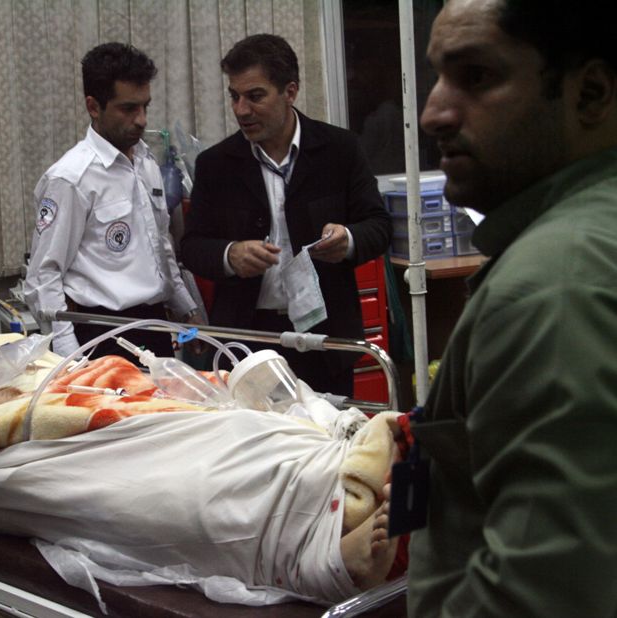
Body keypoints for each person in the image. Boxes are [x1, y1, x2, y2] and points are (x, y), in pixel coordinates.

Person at [407, 1, 617, 615]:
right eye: (438, 77)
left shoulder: (554, 287)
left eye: (477, 77)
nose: (433, 113)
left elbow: (542, 596)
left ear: (591, 93)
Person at [181, 34, 392, 397]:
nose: (241, 110)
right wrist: (229, 255)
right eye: (234, 96)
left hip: (324, 337)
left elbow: (379, 226)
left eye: (255, 96)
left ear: (290, 91)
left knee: (326, 440)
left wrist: (348, 239)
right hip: (248, 340)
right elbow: (192, 247)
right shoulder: (216, 165)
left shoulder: (339, 150)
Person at [24, 42, 202, 360]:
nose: (142, 119)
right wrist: (71, 356)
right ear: (94, 107)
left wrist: (188, 310)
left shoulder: (146, 163)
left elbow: (160, 246)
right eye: (128, 108)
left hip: (155, 324)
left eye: (145, 106)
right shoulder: (71, 178)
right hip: (100, 332)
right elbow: (43, 276)